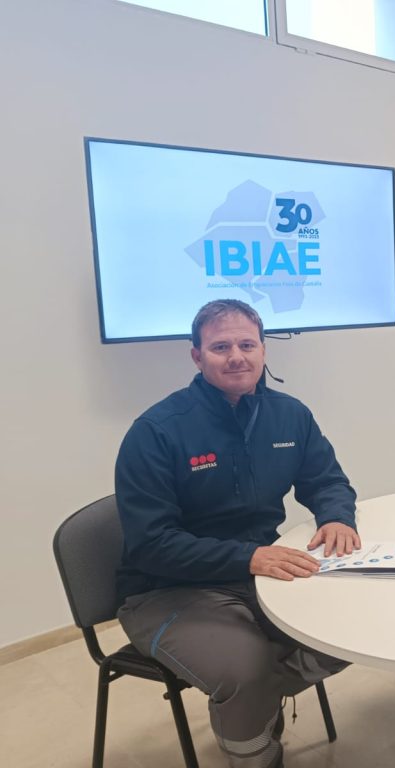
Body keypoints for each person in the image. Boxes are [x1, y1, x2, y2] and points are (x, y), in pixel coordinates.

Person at [115, 299, 359, 768]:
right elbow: (151, 544)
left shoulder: (290, 415)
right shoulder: (156, 431)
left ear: (264, 350)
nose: (236, 357)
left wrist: (336, 517)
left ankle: (254, 704)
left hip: (258, 574)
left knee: (355, 626)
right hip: (166, 591)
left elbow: (327, 481)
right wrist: (248, 557)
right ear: (197, 356)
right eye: (220, 347)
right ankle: (257, 752)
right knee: (245, 670)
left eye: (247, 344)